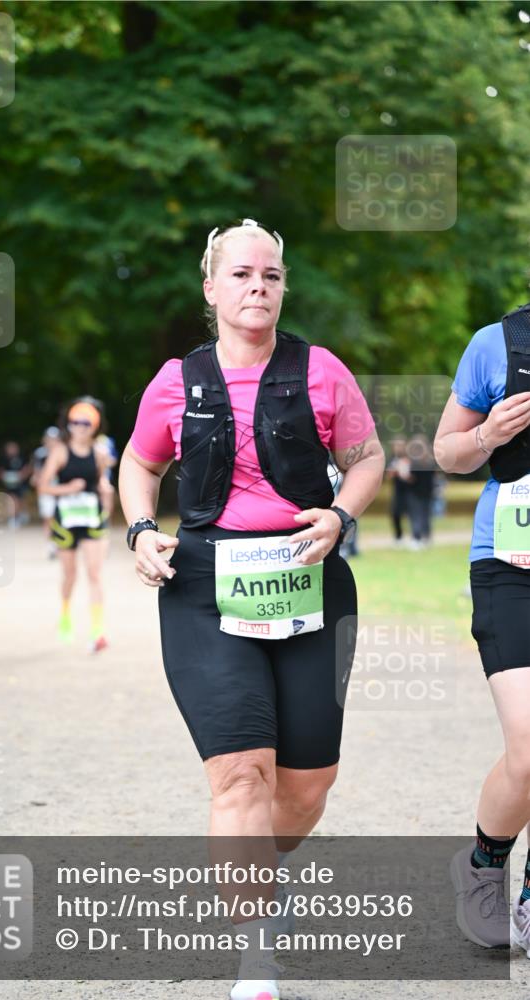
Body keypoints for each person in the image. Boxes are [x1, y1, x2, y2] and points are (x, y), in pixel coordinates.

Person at [119, 219, 385, 1000]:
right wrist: (140, 528)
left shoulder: (320, 371)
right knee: (240, 776)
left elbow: (365, 458)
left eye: (269, 275)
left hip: (308, 580)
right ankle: (255, 954)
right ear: (211, 288)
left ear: (282, 287)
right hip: (204, 589)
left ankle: (265, 871)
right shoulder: (177, 381)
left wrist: (340, 515)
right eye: (240, 274)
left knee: (305, 785)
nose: (256, 287)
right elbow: (139, 461)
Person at [434, 302, 530, 958]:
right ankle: (483, 865)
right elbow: (448, 452)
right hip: (509, 566)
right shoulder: (496, 344)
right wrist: (489, 434)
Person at [37, 398, 114, 652]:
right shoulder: (60, 451)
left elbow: (102, 483)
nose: (80, 427)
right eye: (75, 422)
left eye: (85, 423)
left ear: (94, 426)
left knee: (95, 573)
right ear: (69, 424)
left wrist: (106, 493)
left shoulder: (100, 452)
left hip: (92, 518)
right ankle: (65, 613)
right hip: (66, 520)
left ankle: (98, 630)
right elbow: (42, 486)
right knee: (70, 574)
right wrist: (67, 488)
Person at [31, 426, 62, 558]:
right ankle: (51, 545)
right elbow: (36, 473)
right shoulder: (40, 454)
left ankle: (60, 543)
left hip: (61, 490)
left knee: (60, 518)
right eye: (49, 439)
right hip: (47, 490)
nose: (51, 442)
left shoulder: (64, 452)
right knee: (48, 518)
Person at [405, 433, 435, 549]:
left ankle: (416, 538)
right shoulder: (430, 460)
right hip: (428, 491)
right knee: (426, 515)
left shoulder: (414, 461)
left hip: (415, 492)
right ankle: (426, 537)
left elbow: (411, 478)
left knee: (416, 515)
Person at [0, 441, 31, 526]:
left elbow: (27, 469)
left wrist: (21, 476)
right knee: (12, 500)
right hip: (9, 485)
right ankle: (13, 518)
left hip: (21, 484)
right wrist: (6, 477)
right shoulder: (4, 459)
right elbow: (0, 472)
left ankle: (20, 514)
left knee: (21, 500)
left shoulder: (22, 458)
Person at [386, 436, 411, 546]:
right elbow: (388, 475)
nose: (398, 448)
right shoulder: (392, 459)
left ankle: (416, 536)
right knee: (395, 513)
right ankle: (398, 536)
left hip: (409, 490)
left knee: (412, 513)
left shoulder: (409, 458)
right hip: (397, 490)